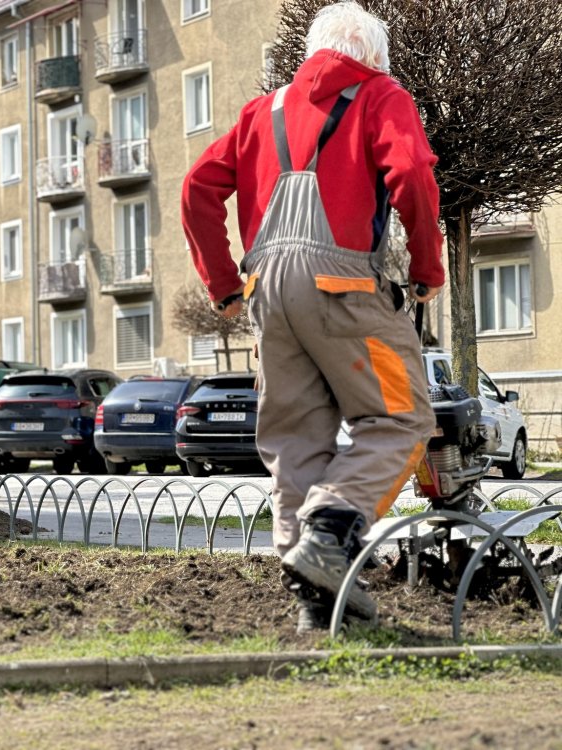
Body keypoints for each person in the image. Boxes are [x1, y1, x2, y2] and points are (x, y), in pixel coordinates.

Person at [181, 2, 445, 631]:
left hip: (268, 295)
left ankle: (319, 602)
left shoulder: (261, 111)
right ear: (372, 58)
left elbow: (195, 186)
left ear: (312, 54)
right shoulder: (382, 95)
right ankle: (332, 525)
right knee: (401, 417)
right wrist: (428, 271)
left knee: (296, 440)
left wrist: (224, 285)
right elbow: (409, 170)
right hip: (343, 285)